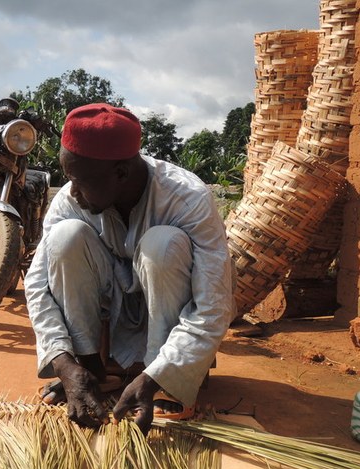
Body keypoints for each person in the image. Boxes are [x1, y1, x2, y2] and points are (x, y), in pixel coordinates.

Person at [24, 103, 235, 435]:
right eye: (69, 179)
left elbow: (214, 303)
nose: (73, 192)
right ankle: (90, 371)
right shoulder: (70, 198)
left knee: (162, 245)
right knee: (64, 239)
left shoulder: (187, 198)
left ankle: (162, 380)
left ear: (120, 173)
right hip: (109, 299)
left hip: (166, 300)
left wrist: (156, 378)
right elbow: (38, 286)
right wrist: (65, 366)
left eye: (79, 181)